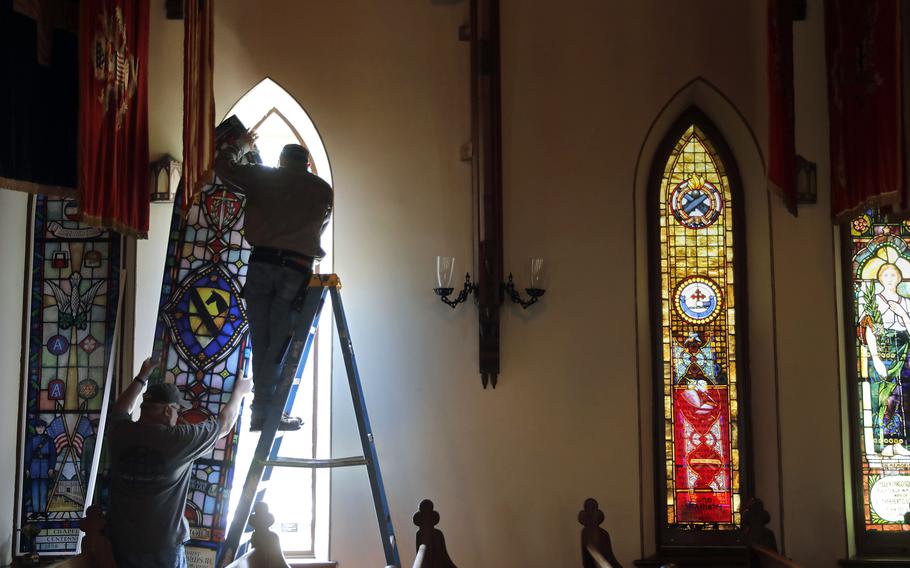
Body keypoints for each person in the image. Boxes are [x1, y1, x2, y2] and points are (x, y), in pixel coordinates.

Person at [215, 133, 333, 431]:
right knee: (279, 344)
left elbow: (223, 166)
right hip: (295, 269)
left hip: (261, 265)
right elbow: (321, 226)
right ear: (307, 165)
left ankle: (262, 411)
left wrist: (241, 143)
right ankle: (264, 412)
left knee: (262, 340)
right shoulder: (322, 190)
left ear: (280, 161)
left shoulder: (263, 178)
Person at [106, 357, 252, 568]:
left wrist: (142, 377)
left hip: (121, 544)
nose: (178, 416)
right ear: (167, 411)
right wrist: (239, 392)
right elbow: (225, 424)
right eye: (177, 410)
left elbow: (120, 408)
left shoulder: (119, 432)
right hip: (163, 548)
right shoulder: (178, 440)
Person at [863, 262, 910, 456]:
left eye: (893, 275)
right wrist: (876, 358)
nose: (890, 279)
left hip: (906, 350)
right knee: (886, 398)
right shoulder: (874, 302)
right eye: (886, 275)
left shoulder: (907, 302)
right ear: (880, 278)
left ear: (899, 278)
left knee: (904, 395)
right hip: (884, 352)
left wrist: (902, 314)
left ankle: (901, 444)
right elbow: (869, 332)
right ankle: (886, 443)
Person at [24, 418, 56, 519]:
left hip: (45, 467)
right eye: (38, 427)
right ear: (35, 428)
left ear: (44, 428)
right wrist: (27, 468)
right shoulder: (31, 440)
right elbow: (28, 455)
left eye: (42, 427)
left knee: (43, 489)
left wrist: (51, 467)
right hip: (34, 466)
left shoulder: (49, 440)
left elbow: (53, 455)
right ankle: (35, 511)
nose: (40, 429)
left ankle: (42, 510)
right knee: (34, 490)